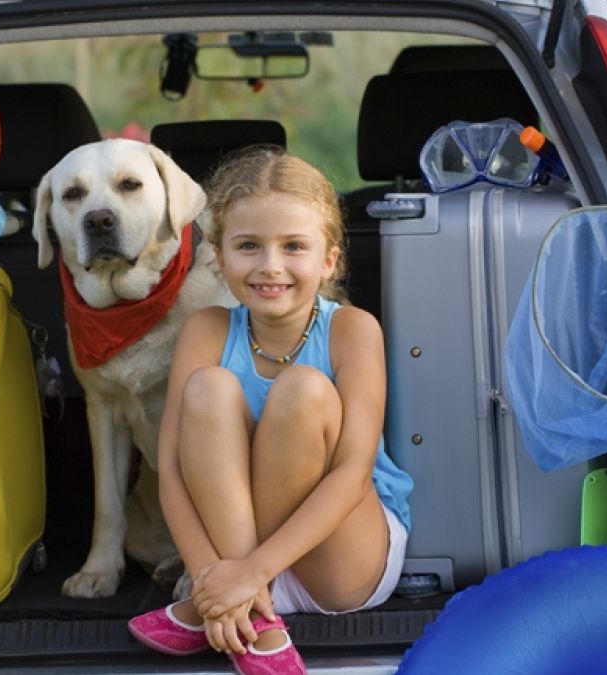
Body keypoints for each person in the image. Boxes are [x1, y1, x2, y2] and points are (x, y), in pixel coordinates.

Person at [127, 147, 414, 674]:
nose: (271, 266)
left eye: (294, 247)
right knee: (208, 389)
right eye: (249, 246)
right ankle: (255, 621)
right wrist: (210, 573)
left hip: (339, 553)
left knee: (302, 389)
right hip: (232, 558)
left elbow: (352, 474)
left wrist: (245, 573)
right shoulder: (207, 330)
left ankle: (229, 601)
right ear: (218, 254)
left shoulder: (352, 330)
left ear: (329, 259)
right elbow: (169, 469)